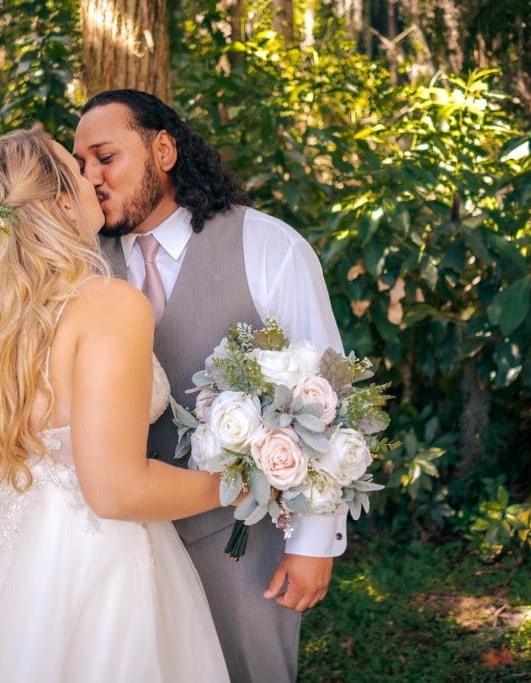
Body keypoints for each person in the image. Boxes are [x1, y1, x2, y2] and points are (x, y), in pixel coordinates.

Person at [0, 126, 231, 682]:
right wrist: (236, 482)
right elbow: (115, 491)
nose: (93, 176)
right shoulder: (110, 305)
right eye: (77, 167)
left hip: (0, 564)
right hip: (99, 567)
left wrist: (11, 446)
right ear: (64, 202)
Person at [73, 89, 347, 683]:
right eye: (80, 166)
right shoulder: (80, 265)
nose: (90, 177)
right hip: (115, 546)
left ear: (163, 150)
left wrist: (314, 542)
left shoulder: (267, 244)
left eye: (105, 157)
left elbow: (325, 394)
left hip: (236, 540)